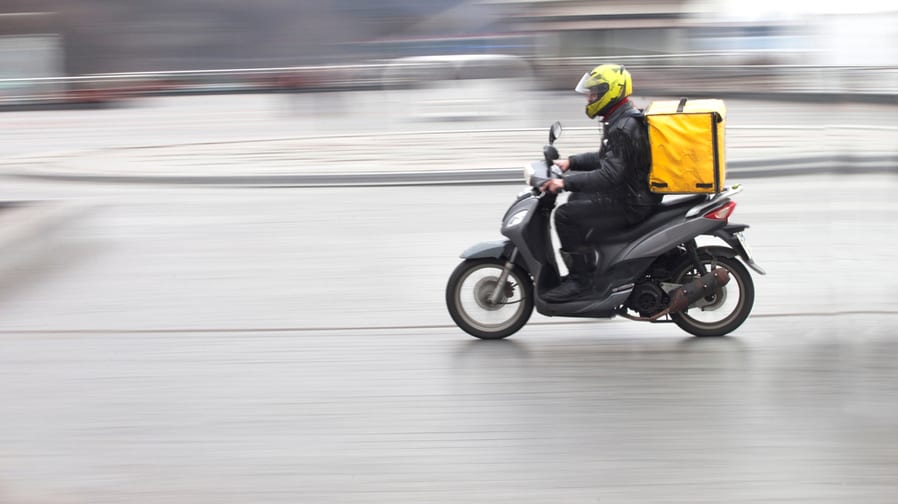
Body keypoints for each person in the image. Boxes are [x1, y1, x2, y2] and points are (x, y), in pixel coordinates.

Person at [539, 63, 662, 303]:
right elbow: (607, 159)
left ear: (611, 92)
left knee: (565, 216)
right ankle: (597, 270)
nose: (589, 97)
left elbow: (609, 175)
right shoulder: (621, 118)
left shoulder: (623, 126)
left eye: (594, 93)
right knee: (577, 201)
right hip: (633, 194)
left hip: (631, 202)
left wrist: (564, 183)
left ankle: (581, 282)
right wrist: (570, 162)